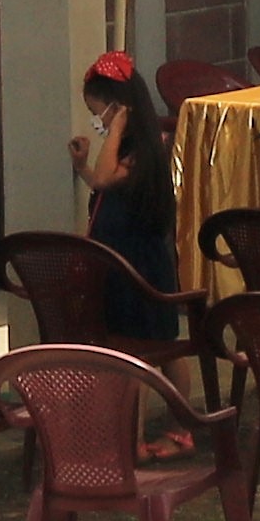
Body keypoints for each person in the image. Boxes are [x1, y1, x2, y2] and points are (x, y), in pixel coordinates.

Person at [70, 52, 182, 341]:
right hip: (117, 259)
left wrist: (116, 127)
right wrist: (82, 167)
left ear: (120, 108)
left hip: (140, 264)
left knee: (152, 341)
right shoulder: (123, 149)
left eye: (98, 112)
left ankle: (167, 389)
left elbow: (107, 177)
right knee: (124, 338)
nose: (98, 121)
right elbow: (100, 182)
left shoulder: (144, 148)